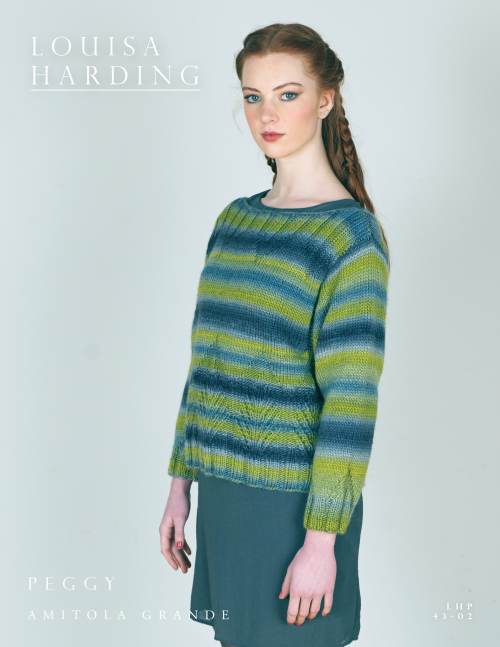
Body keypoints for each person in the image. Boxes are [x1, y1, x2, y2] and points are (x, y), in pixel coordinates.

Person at [159, 22, 390, 647]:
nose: (267, 114)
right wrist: (180, 486)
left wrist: (321, 543)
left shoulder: (349, 238)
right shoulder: (234, 221)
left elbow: (350, 405)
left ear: (325, 99)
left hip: (295, 510)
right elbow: (207, 367)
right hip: (223, 495)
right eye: (252, 96)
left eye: (288, 94)